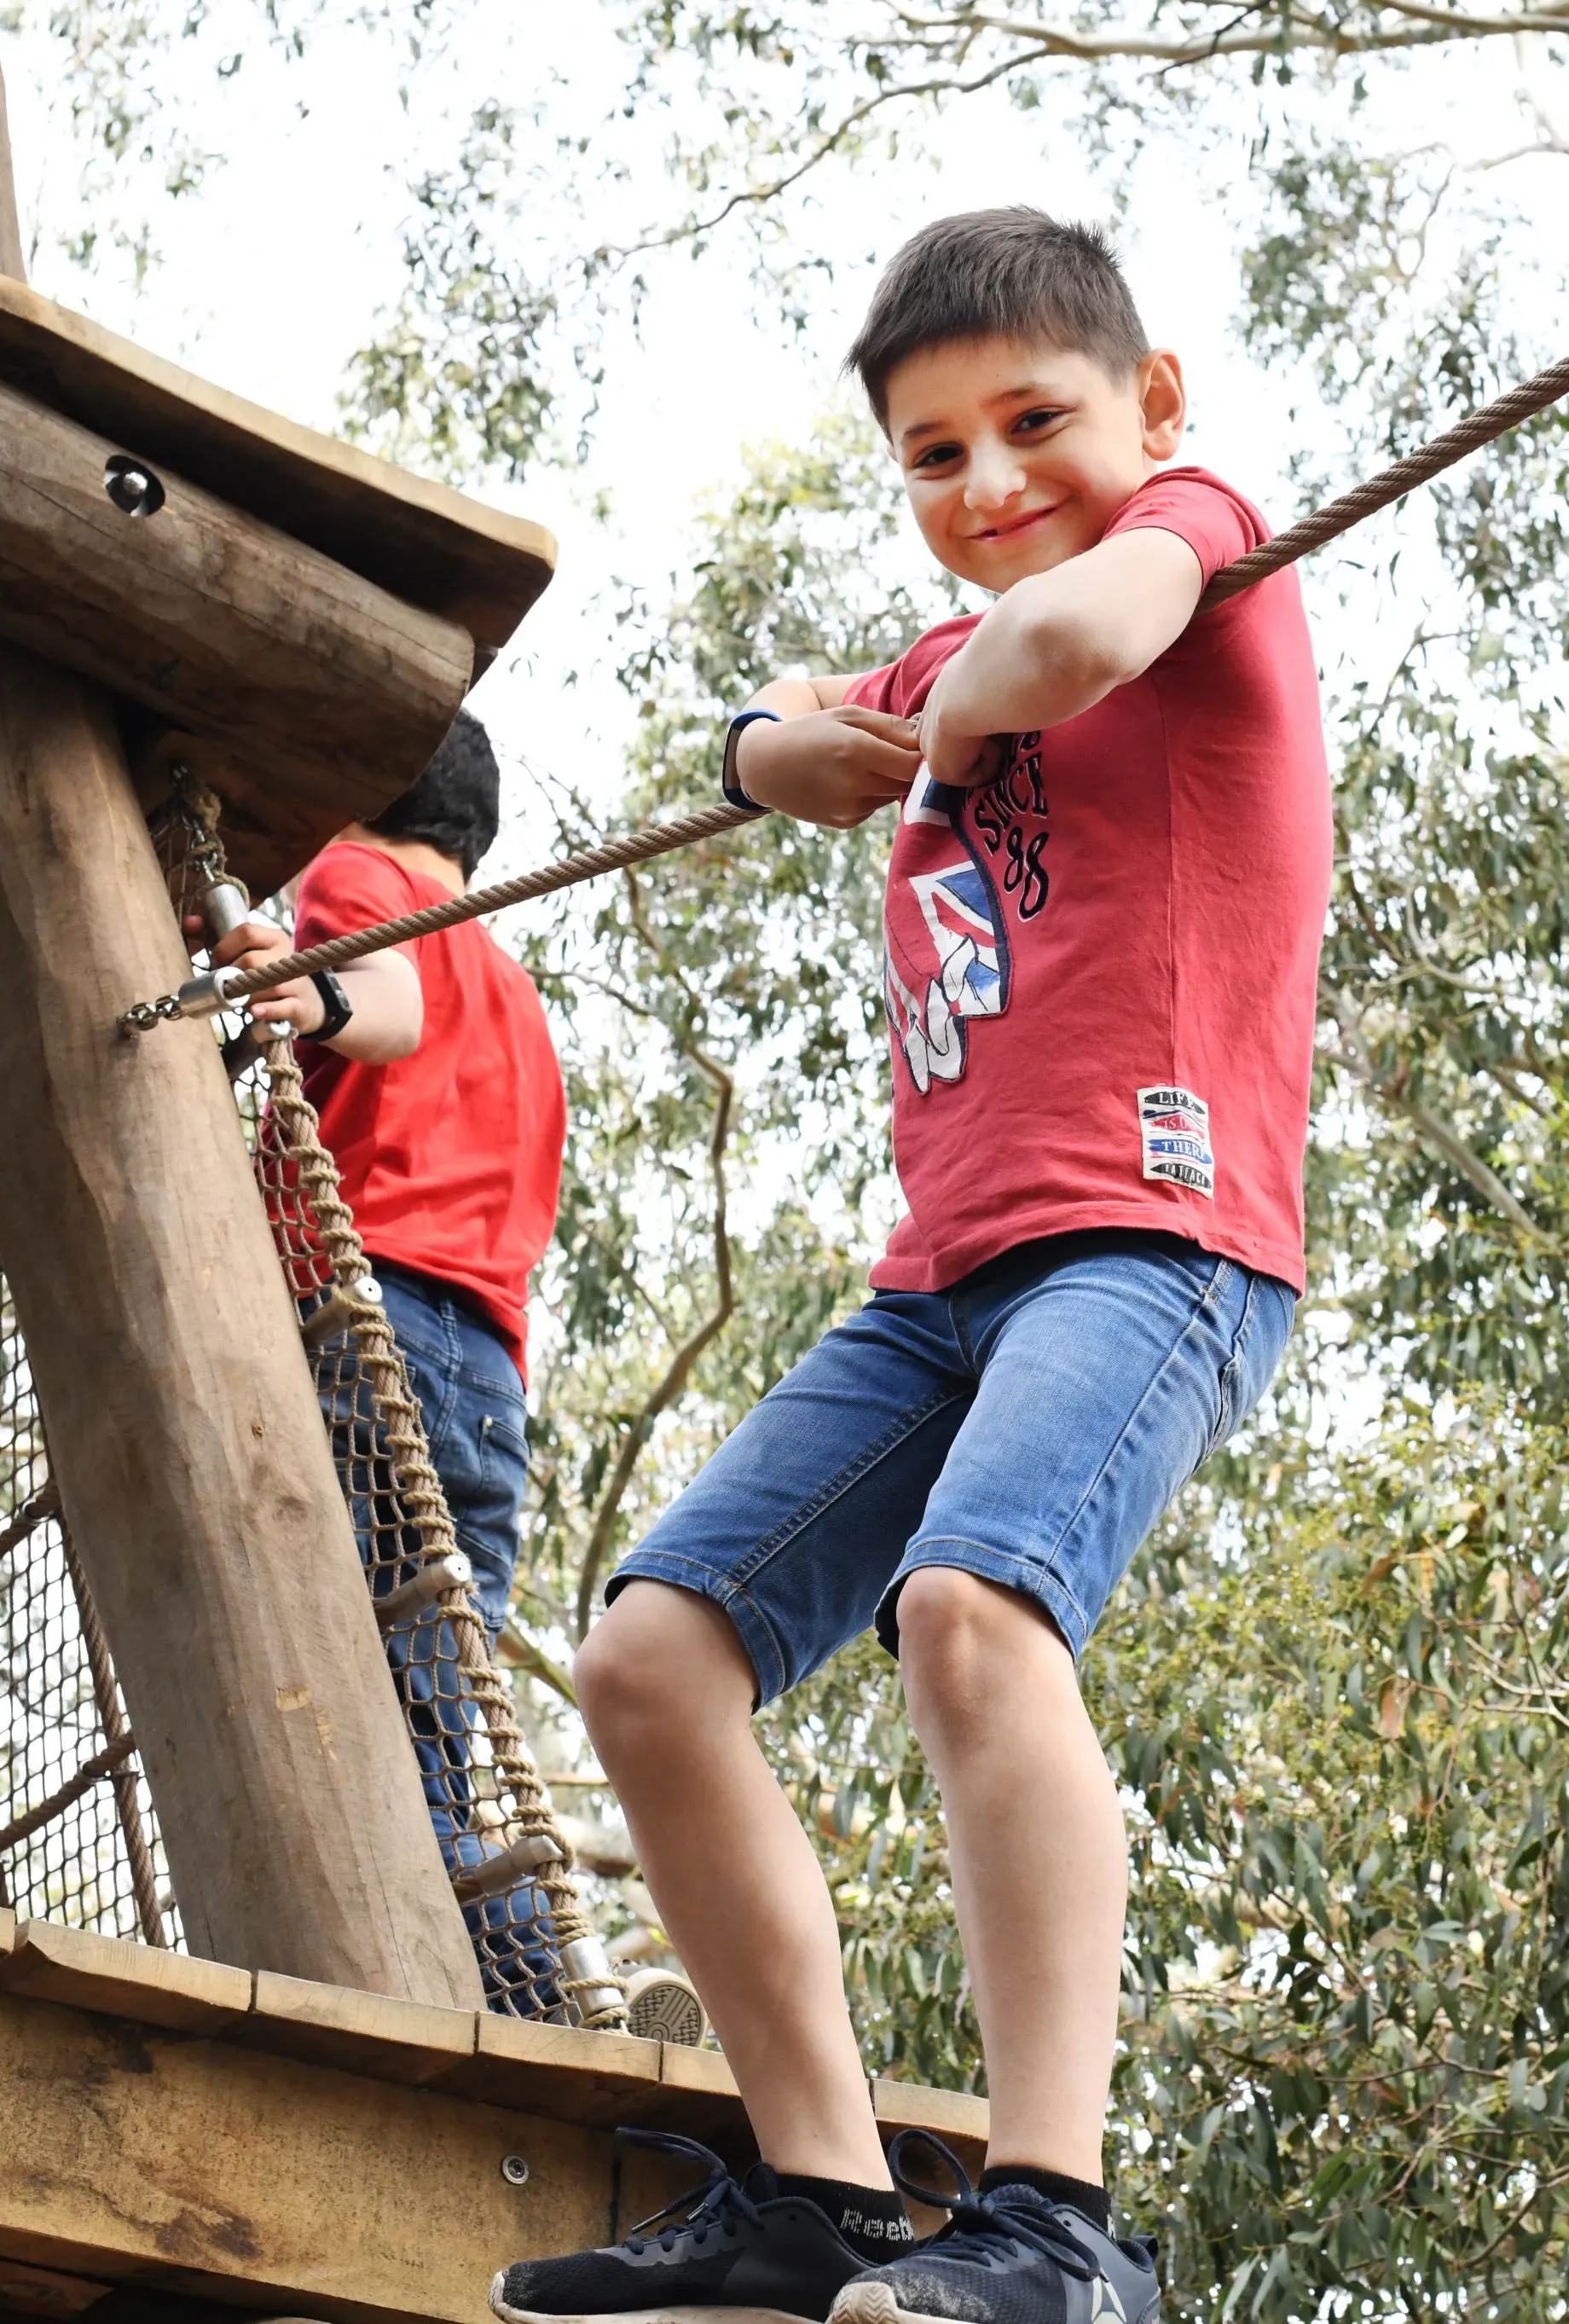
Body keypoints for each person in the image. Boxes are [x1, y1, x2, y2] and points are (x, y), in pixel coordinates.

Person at [489, 211, 1324, 2324]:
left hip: (1157, 1236)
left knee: (970, 1612)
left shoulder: (1202, 536)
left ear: (1149, 401)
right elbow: (764, 730)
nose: (990, 486)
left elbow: (1050, 654)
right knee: (648, 1663)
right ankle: (819, 2194)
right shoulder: (937, 664)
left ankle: (1057, 2221)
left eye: (1033, 423)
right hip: (940, 1279)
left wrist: (894, 716)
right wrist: (774, 746)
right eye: (931, 457)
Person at [212, 711, 570, 1996]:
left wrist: (312, 990)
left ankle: (525, 1984)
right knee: (435, 1709)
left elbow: (387, 1003)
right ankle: (538, 1967)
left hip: (375, 1327)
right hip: (485, 1372)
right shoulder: (521, 999)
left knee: (364, 1718)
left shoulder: (357, 875)